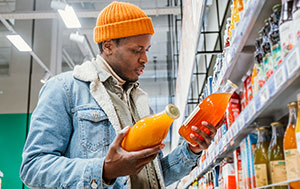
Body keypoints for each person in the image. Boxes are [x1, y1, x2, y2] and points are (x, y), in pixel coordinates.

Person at [20, 1, 217, 188]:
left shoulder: (139, 101)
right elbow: (33, 168)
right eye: (137, 50)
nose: (145, 59)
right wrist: (104, 170)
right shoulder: (64, 89)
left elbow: (150, 177)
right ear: (108, 46)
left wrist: (192, 149)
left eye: (146, 49)